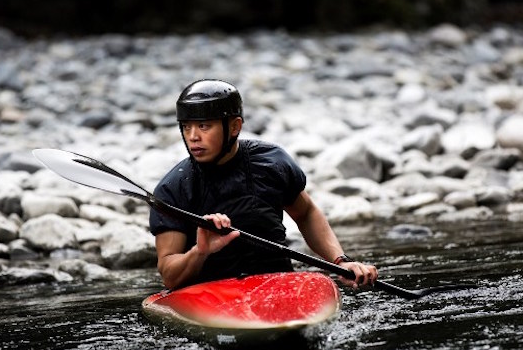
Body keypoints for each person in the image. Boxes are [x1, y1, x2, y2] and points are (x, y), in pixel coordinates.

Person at [149, 79, 378, 291]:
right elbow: (170, 276)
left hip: (277, 284)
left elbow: (306, 213)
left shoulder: (271, 162)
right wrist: (200, 251)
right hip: (213, 293)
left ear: (235, 126)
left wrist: (340, 261)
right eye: (186, 127)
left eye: (204, 126)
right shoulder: (175, 188)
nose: (193, 136)